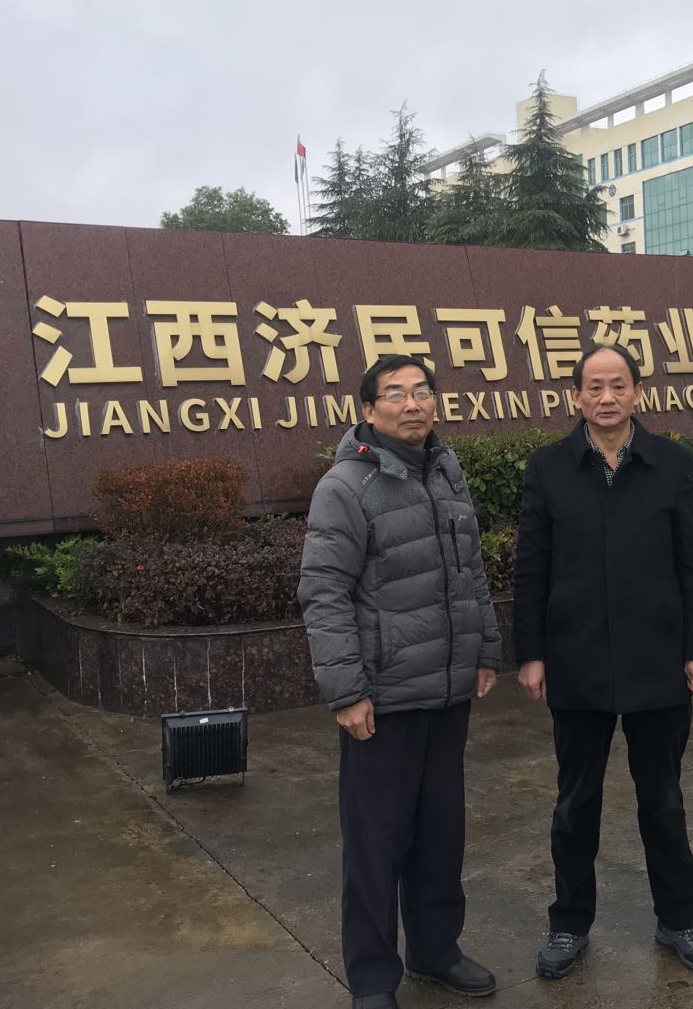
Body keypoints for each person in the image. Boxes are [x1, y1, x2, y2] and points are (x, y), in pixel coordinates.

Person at [513, 343, 693, 980]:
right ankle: (569, 923)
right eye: (594, 387)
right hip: (576, 663)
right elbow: (532, 569)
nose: (607, 397)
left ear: (638, 392)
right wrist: (531, 653)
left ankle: (680, 918)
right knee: (576, 803)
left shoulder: (670, 463)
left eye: (619, 385)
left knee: (663, 800)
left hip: (658, 661)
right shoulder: (549, 467)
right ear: (575, 396)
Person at [299, 355, 502, 1009]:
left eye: (422, 391)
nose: (412, 404)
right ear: (368, 409)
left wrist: (485, 649)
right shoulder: (345, 487)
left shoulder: (444, 471)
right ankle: (371, 978)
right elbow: (324, 593)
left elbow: (469, 573)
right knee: (375, 843)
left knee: (441, 832)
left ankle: (436, 951)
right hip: (383, 699)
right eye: (395, 394)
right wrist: (346, 691)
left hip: (446, 689)